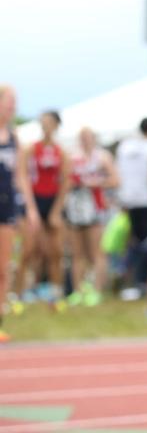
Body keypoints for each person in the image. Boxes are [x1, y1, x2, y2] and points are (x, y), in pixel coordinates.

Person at [16, 111, 69, 308]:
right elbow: (22, 176)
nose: (45, 126)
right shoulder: (31, 149)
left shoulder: (61, 151)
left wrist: (56, 210)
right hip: (35, 201)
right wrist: (31, 208)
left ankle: (56, 295)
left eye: (49, 123)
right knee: (29, 249)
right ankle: (17, 294)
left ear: (56, 125)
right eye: (42, 123)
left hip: (52, 201)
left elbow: (66, 181)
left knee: (55, 252)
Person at [0, 86, 38, 341]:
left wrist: (31, 209)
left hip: (6, 208)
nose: (13, 106)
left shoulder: (15, 137)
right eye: (10, 101)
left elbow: (21, 176)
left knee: (3, 268)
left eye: (15, 102)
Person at [64, 127, 118, 305]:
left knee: (97, 251)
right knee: (77, 252)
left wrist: (98, 183)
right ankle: (78, 290)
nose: (85, 140)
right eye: (82, 137)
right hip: (76, 209)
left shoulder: (102, 157)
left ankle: (96, 290)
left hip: (95, 208)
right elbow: (64, 180)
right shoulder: (73, 157)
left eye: (88, 137)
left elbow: (116, 180)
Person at [114, 118, 147, 299]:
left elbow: (120, 172)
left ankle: (133, 279)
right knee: (146, 242)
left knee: (135, 241)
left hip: (129, 200)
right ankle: (142, 281)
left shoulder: (124, 147)